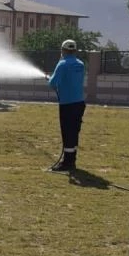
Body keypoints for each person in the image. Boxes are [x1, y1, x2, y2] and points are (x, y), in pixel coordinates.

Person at [47, 39, 86, 172]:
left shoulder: (62, 64)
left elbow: (53, 83)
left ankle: (67, 163)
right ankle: (72, 160)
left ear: (63, 50)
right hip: (79, 103)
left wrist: (49, 78)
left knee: (67, 132)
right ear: (75, 51)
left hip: (67, 104)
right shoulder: (81, 64)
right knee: (74, 132)